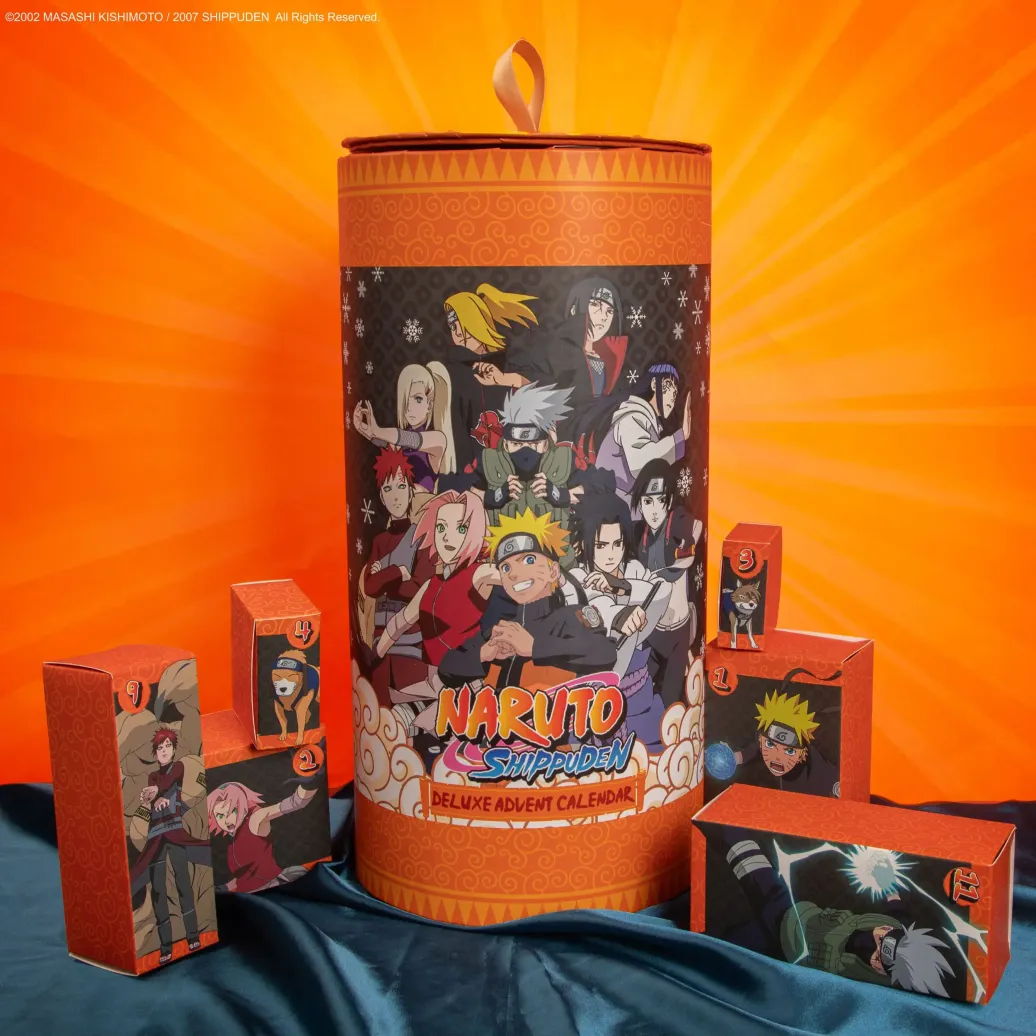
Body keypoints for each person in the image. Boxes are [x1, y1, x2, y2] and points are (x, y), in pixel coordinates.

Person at [719, 833, 954, 997]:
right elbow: (894, 902)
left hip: (780, 949)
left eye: (884, 953)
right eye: (888, 937)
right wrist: (884, 875)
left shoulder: (873, 985)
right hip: (791, 911)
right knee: (747, 857)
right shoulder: (895, 924)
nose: (880, 937)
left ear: (886, 971)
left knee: (722, 953)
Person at [438, 508, 617, 693]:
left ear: (553, 571)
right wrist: (484, 654)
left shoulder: (571, 617)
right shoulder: (499, 630)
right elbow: (446, 669)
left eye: (529, 560)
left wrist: (534, 647)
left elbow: (605, 653)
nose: (514, 574)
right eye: (506, 568)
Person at [375, 489, 495, 742]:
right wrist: (377, 654)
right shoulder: (431, 584)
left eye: (461, 528)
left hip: (465, 686)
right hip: (433, 684)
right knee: (397, 723)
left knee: (442, 736)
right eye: (441, 528)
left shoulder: (478, 574)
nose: (447, 537)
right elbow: (401, 621)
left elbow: (508, 574)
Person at [569, 490, 669, 752]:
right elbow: (589, 609)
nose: (610, 554)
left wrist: (620, 585)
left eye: (617, 544)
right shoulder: (576, 578)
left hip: (637, 691)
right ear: (584, 545)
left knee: (649, 756)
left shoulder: (633, 570)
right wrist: (618, 616)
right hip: (590, 695)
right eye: (601, 546)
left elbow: (662, 591)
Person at [474, 277, 629, 431]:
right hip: (564, 435)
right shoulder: (553, 347)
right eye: (595, 305)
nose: (604, 316)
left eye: (609, 311)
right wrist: (502, 378)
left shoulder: (611, 359)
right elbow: (536, 378)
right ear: (574, 309)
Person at [357, 448, 436, 707]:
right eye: (388, 489)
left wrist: (385, 580)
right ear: (381, 495)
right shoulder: (380, 541)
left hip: (411, 641)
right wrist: (398, 572)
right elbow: (370, 587)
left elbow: (418, 588)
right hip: (380, 639)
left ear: (411, 491)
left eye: (401, 486)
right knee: (380, 710)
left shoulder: (421, 537)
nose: (395, 496)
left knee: (412, 707)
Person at [476, 382, 586, 567]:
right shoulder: (490, 462)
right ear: (506, 444)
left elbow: (598, 488)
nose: (525, 451)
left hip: (558, 567)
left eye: (534, 444)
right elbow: (461, 494)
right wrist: (496, 496)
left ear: (545, 442)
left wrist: (558, 494)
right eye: (517, 444)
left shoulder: (564, 460)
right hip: (505, 568)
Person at [130, 729, 211, 964]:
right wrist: (154, 798)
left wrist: (158, 795)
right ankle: (166, 947)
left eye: (168, 746)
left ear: (174, 750)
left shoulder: (178, 768)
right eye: (160, 747)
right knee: (158, 890)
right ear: (155, 753)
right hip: (156, 836)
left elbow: (168, 783)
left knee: (183, 882)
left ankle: (193, 936)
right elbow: (153, 794)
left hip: (175, 833)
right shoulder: (152, 776)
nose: (164, 750)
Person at [440, 283, 539, 472]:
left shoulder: (510, 361)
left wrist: (504, 379)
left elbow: (544, 389)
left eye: (464, 323)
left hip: (516, 463)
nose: (458, 333)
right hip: (471, 467)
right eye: (453, 326)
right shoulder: (451, 371)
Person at [631, 459, 703, 706]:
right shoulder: (639, 534)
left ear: (669, 500)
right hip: (652, 631)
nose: (654, 510)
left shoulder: (677, 520)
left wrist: (682, 554)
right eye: (647, 501)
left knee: (670, 700)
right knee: (638, 693)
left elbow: (696, 528)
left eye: (660, 500)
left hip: (678, 631)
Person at [573, 363, 692, 508]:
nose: (672, 397)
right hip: (612, 505)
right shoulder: (633, 417)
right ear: (654, 384)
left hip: (623, 503)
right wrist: (680, 437)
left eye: (675, 393)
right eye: (669, 386)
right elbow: (640, 464)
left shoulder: (648, 422)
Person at [707, 672, 841, 797]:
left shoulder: (815, 764)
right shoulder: (764, 741)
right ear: (761, 739)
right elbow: (753, 751)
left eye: (789, 751)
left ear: (802, 753)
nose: (777, 757)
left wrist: (837, 789)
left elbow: (833, 780)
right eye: (770, 744)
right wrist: (733, 758)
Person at [353, 361, 456, 491]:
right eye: (405, 400)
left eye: (418, 399)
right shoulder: (402, 439)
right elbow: (388, 444)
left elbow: (410, 439)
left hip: (424, 501)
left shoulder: (438, 438)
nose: (409, 408)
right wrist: (368, 432)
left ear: (429, 405)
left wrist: (377, 431)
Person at [206, 780, 319, 893]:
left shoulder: (255, 819)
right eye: (220, 816)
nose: (226, 820)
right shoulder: (232, 843)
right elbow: (244, 876)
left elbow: (294, 803)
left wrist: (310, 781)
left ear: (243, 806)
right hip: (247, 895)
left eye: (233, 811)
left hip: (271, 889)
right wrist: (224, 888)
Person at [269, 649, 320, 746]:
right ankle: (284, 730)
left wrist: (300, 736)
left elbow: (301, 713)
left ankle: (301, 734)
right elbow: (279, 711)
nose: (283, 683)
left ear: (301, 676)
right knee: (280, 708)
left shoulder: (305, 688)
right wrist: (284, 731)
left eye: (291, 676)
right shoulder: (275, 690)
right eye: (277, 676)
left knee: (302, 710)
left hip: (309, 685)